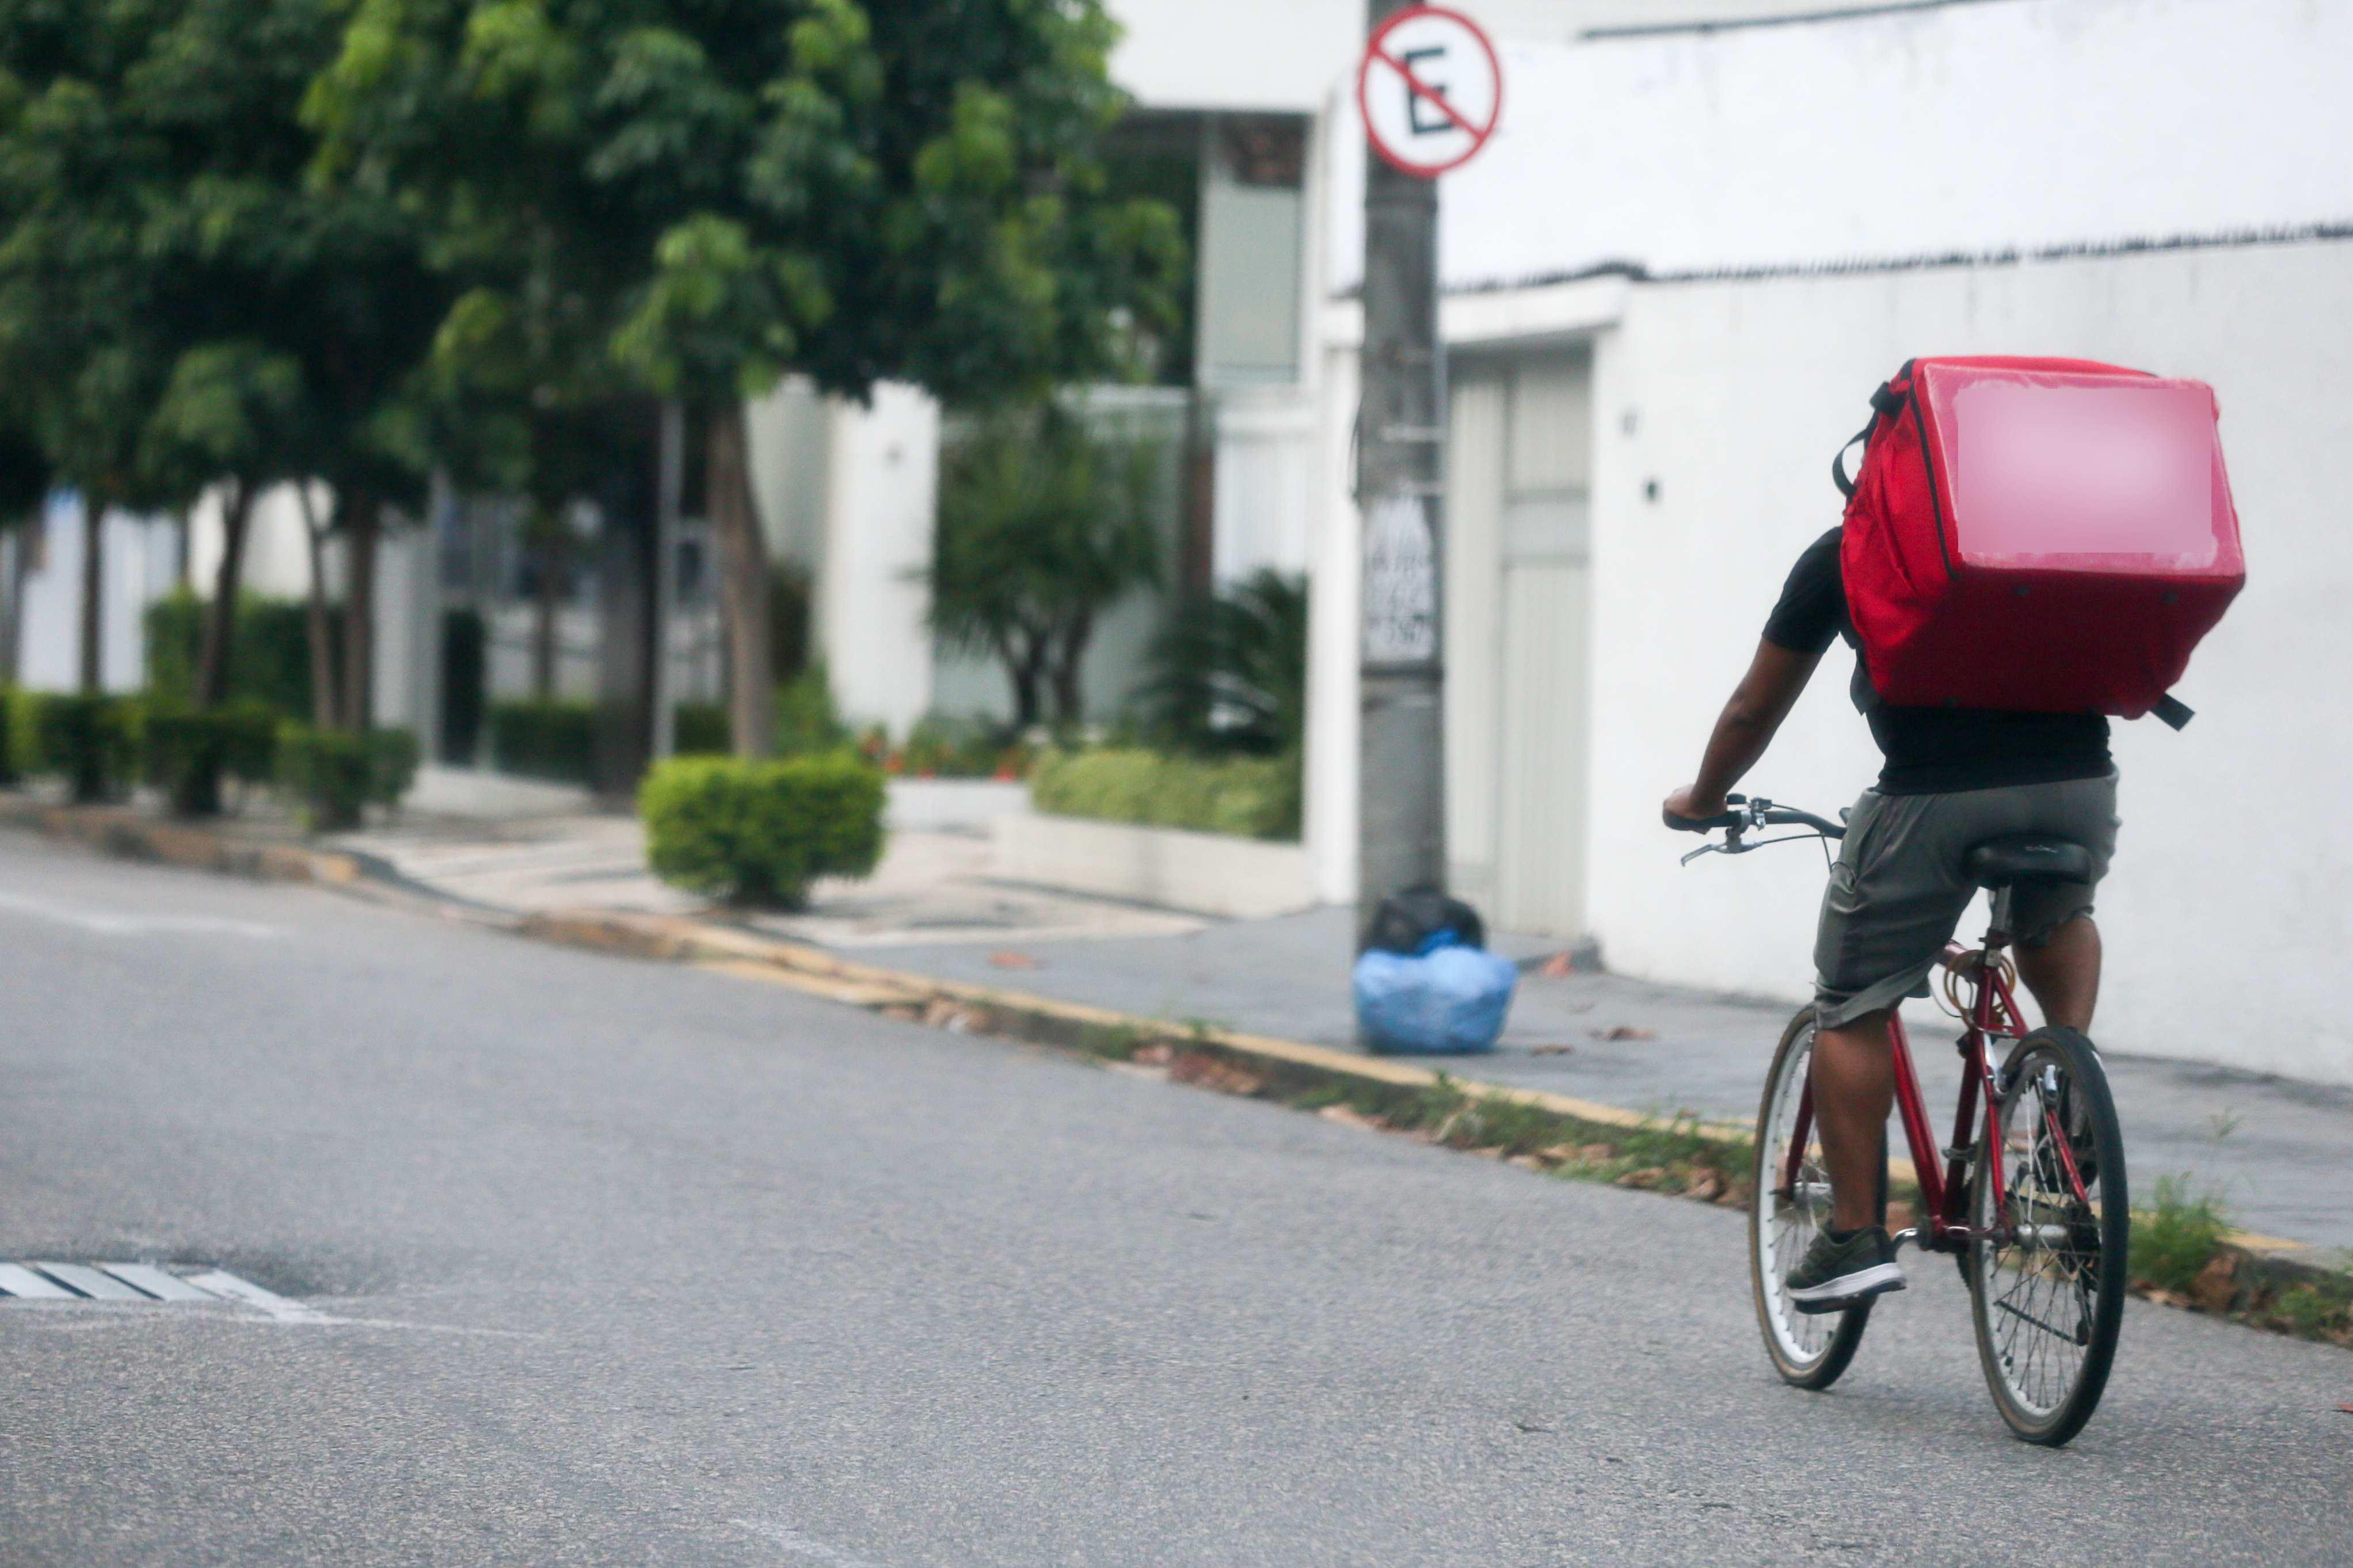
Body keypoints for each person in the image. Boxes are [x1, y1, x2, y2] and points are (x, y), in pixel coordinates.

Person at [1662, 526, 2120, 1311]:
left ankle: (1852, 1236)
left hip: (1934, 795)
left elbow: (1752, 709)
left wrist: (1702, 797)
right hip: (2078, 782)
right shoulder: (2053, 533)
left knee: (1851, 999)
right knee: (2057, 911)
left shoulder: (1853, 550)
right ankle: (2065, 1075)